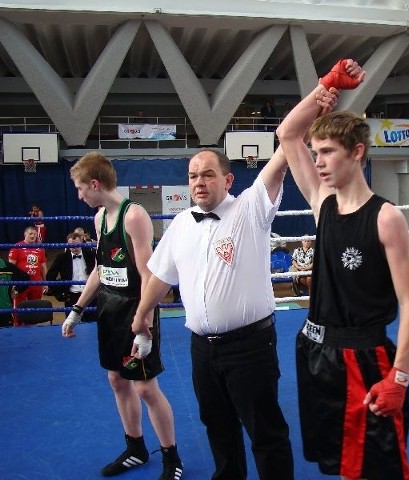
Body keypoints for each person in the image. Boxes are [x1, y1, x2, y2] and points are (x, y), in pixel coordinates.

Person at [131, 86, 340, 480]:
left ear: (227, 179)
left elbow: (284, 151)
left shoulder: (250, 208)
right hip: (201, 350)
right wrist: (142, 315)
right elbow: (160, 276)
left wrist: (317, 102)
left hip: (250, 347)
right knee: (218, 427)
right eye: (193, 175)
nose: (199, 181)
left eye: (208, 174)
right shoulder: (179, 225)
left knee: (266, 432)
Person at [276, 59, 409, 480]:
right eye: (316, 152)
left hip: (366, 356)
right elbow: (288, 134)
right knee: (340, 463)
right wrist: (323, 87)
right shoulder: (323, 204)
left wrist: (401, 377)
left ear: (357, 152)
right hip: (316, 351)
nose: (317, 161)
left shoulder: (385, 217)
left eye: (327, 152)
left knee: (378, 466)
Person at [61, 152, 183, 479]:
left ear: (95, 183)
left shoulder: (134, 216)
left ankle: (172, 458)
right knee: (116, 380)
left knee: (145, 388)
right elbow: (102, 269)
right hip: (109, 308)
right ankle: (136, 448)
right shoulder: (99, 219)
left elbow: (148, 275)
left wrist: (144, 325)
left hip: (135, 307)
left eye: (80, 188)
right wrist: (76, 310)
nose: (79, 195)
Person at [46, 231, 97, 322]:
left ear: (81, 242)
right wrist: (59, 294)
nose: (74, 248)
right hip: (71, 297)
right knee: (72, 325)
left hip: (90, 296)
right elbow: (50, 276)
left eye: (76, 244)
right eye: (71, 245)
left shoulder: (91, 255)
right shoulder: (62, 257)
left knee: (93, 324)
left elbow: (100, 272)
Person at [8, 225, 47, 327]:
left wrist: (46, 282)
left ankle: (32, 326)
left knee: (35, 306)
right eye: (30, 233)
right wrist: (12, 284)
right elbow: (10, 267)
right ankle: (17, 325)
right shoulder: (17, 247)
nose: (33, 236)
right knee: (19, 306)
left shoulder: (40, 248)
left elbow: (43, 267)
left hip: (36, 283)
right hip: (21, 283)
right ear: (25, 235)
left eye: (34, 234)